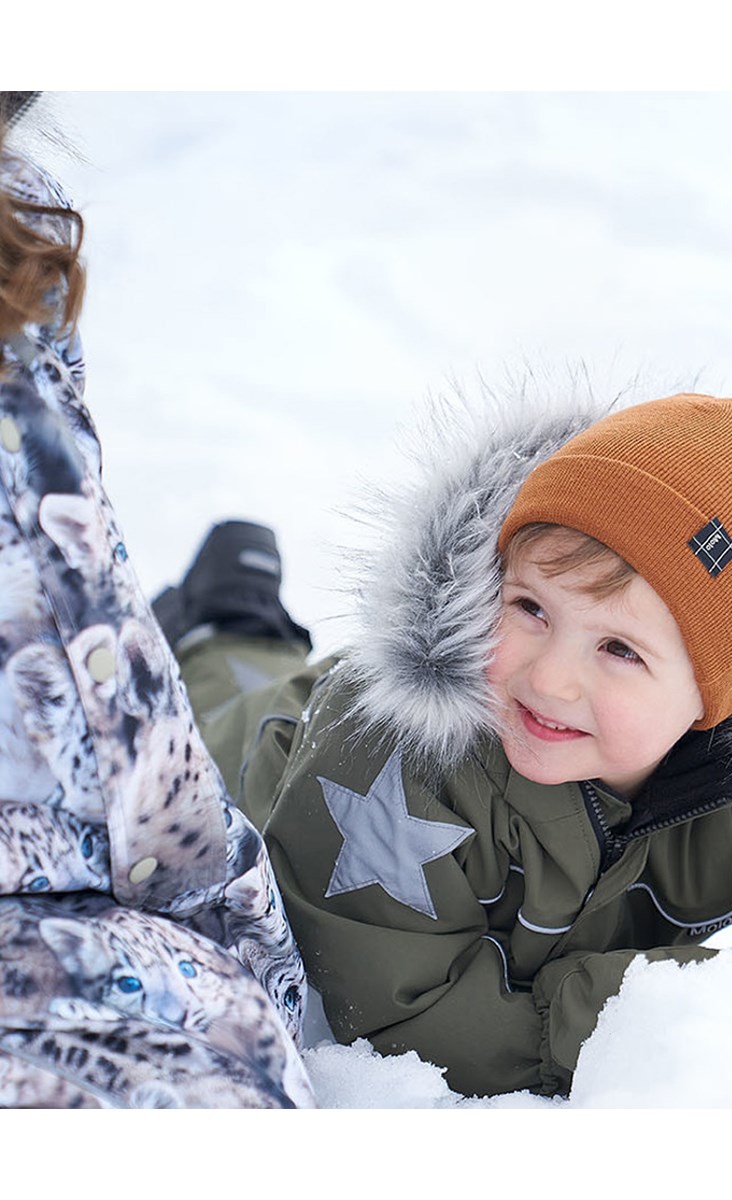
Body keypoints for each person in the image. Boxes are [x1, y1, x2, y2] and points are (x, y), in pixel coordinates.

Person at [167, 381, 732, 1099]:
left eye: (620, 650)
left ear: (720, 694)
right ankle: (226, 612)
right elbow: (398, 1020)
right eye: (529, 607)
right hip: (272, 753)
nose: (551, 678)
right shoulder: (392, 749)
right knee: (218, 690)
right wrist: (681, 1009)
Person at [0, 93, 315, 1107]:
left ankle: (231, 625)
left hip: (129, 834)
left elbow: (70, 591)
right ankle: (232, 627)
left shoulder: (21, 229)